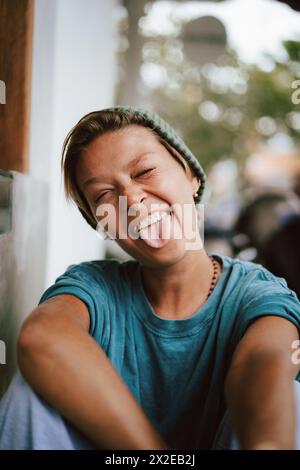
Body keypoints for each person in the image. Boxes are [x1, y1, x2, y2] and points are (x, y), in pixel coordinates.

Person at [0, 106, 300, 450]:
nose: (131, 200)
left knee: (293, 395)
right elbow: (42, 339)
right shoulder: (94, 288)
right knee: (31, 392)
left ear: (192, 176)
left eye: (144, 171)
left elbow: (263, 365)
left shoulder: (257, 293)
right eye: (103, 195)